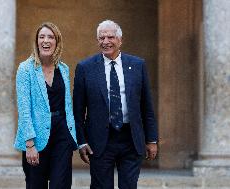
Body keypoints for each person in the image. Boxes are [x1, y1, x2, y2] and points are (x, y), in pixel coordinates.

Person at [73, 20, 158, 189]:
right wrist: (81, 142)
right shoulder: (85, 67)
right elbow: (78, 109)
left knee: (129, 186)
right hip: (99, 141)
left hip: (131, 139)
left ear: (120, 40)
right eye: (101, 38)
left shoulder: (137, 65)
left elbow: (147, 106)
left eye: (110, 37)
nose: (106, 41)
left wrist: (152, 139)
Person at [14, 22, 78, 189]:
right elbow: (24, 109)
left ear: (57, 42)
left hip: (62, 134)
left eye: (50, 37)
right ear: (36, 42)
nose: (46, 41)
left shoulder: (63, 69)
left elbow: (67, 105)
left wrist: (74, 136)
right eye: (41, 37)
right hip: (36, 135)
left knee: (61, 184)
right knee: (36, 185)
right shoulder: (25, 69)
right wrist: (30, 144)